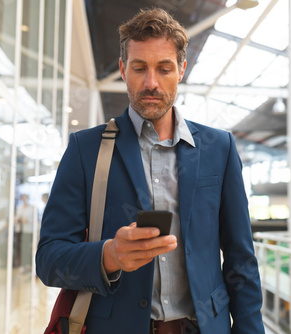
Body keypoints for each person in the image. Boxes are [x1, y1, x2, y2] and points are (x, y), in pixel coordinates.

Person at [36, 7, 264, 334]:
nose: (151, 83)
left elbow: (241, 262)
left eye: (164, 68)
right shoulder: (86, 150)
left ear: (182, 69)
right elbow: (49, 261)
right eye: (139, 67)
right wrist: (109, 255)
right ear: (122, 69)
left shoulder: (220, 149)